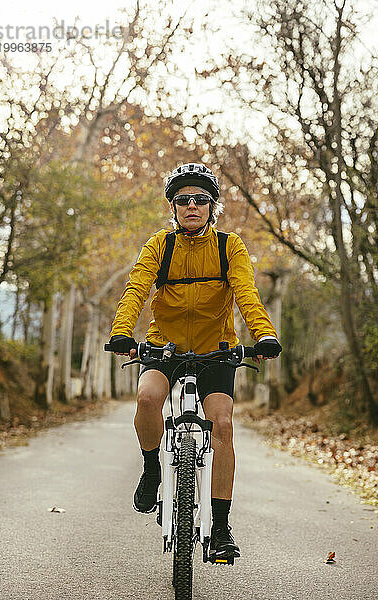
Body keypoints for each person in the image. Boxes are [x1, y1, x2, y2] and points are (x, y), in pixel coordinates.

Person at [107, 163, 282, 559]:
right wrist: (122, 331)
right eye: (183, 199)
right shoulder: (159, 245)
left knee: (221, 423)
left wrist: (264, 334)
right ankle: (152, 470)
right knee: (147, 398)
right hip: (164, 346)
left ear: (211, 206)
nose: (191, 205)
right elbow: (135, 288)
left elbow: (246, 294)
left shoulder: (229, 246)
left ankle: (219, 527)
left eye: (200, 199)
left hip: (216, 349)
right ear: (173, 206)